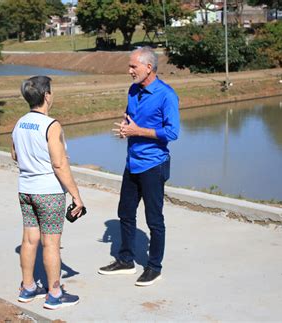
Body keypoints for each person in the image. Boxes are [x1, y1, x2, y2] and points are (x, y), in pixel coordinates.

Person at [98, 47, 180, 286]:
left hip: (154, 165)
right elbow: (130, 115)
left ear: (148, 68)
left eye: (133, 66)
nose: (129, 70)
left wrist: (138, 131)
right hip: (132, 162)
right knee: (125, 212)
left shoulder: (167, 95)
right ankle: (125, 260)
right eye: (129, 66)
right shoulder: (133, 90)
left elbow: (173, 132)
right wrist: (126, 127)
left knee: (154, 220)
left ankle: (154, 267)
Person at [11, 75, 84, 309]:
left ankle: (28, 287)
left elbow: (15, 155)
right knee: (51, 243)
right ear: (46, 96)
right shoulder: (52, 125)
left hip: (26, 190)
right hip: (49, 193)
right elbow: (59, 165)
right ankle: (54, 293)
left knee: (29, 240)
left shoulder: (20, 123)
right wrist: (76, 195)